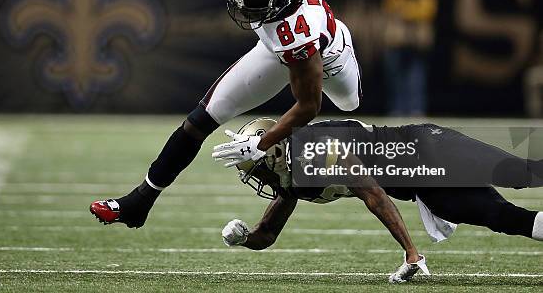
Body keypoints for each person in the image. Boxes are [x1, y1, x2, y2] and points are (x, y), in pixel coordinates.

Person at [90, 0, 361, 229]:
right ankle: (139, 201)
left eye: (251, 7)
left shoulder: (296, 33)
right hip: (275, 50)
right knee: (198, 121)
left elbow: (308, 105)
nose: (240, 7)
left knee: (348, 103)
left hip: (329, 58)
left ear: (274, 6)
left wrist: (262, 143)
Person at [216, 118, 543, 283]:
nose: (261, 180)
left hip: (429, 149)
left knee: (521, 174)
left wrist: (411, 252)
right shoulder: (293, 175)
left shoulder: (312, 148)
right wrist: (244, 238)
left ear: (273, 153)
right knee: (502, 217)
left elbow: (371, 191)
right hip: (425, 186)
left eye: (259, 171)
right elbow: (268, 233)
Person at [382, 0, 437, 116]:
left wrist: (404, 10)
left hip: (416, 46)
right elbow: (388, 5)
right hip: (397, 44)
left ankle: (416, 110)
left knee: (416, 79)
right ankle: (396, 110)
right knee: (395, 80)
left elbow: (423, 12)